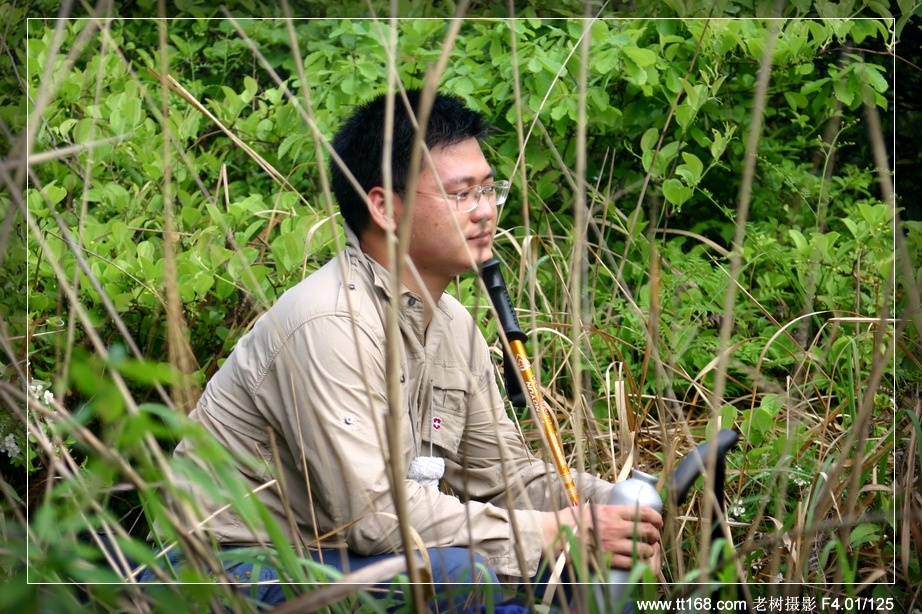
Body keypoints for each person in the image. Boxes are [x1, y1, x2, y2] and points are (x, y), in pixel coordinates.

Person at [158, 88, 662, 612]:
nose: (486, 211)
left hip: (342, 561)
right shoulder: (329, 322)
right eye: (462, 194)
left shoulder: (456, 327)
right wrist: (555, 532)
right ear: (383, 206)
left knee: (591, 578)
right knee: (457, 575)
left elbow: (505, 482)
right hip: (227, 569)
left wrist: (613, 509)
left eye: (491, 190)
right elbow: (378, 518)